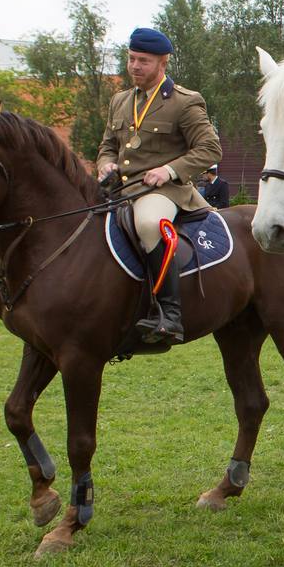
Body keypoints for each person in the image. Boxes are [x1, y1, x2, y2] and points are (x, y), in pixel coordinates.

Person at [96, 26, 222, 345]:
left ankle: (170, 313)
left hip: (163, 191)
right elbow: (108, 145)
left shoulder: (184, 101)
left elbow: (210, 149)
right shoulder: (120, 101)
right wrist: (105, 164)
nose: (135, 66)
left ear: (163, 63)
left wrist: (169, 169)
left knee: (150, 224)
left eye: (143, 61)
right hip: (121, 189)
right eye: (131, 59)